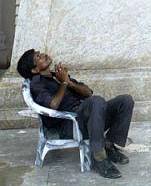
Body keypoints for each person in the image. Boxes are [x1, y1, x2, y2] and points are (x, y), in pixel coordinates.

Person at [17, 48, 134, 179]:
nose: (43, 55)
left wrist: (68, 82)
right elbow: (53, 105)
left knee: (125, 101)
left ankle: (108, 145)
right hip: (69, 125)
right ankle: (99, 158)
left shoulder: (57, 75)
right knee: (96, 101)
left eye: (40, 53)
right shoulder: (37, 83)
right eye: (38, 57)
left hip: (87, 118)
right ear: (35, 70)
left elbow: (88, 92)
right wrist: (64, 83)